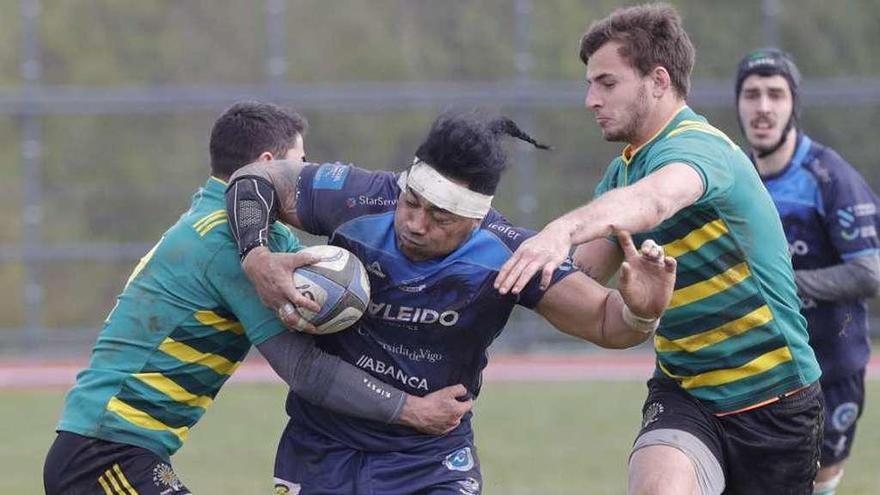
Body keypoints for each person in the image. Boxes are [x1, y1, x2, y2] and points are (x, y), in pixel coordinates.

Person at [224, 110, 677, 494]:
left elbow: (605, 322)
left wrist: (643, 311)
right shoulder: (361, 197)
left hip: (428, 460)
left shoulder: (508, 255)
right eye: (411, 203)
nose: (416, 224)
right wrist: (256, 256)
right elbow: (252, 179)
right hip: (320, 446)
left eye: (439, 217)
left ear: (475, 219)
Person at [43, 101, 471, 495]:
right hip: (102, 455)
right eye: (300, 164)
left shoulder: (209, 220)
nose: (306, 177)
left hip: (118, 452)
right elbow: (305, 370)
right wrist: (410, 408)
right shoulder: (229, 242)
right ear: (268, 166)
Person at [494, 4, 823, 494]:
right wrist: (481, 254)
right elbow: (576, 277)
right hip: (685, 392)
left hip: (774, 400)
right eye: (589, 85)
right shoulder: (624, 169)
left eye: (606, 83)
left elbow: (654, 200)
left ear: (658, 79)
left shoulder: (699, 148)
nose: (590, 100)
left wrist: (560, 229)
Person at [735, 48, 880, 495]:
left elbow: (868, 273)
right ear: (738, 104)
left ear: (793, 104)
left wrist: (781, 286)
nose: (763, 107)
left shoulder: (828, 176)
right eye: (752, 94)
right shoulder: (732, 175)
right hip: (757, 368)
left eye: (775, 94)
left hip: (831, 367)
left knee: (817, 485)